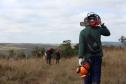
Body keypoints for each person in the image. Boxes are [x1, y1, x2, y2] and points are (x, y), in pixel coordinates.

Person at [78, 12, 110, 84]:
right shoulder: (98, 29)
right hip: (97, 57)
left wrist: (80, 57)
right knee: (96, 76)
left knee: (87, 77)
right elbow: (108, 33)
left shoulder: (82, 32)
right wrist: (102, 25)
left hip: (86, 58)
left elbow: (82, 46)